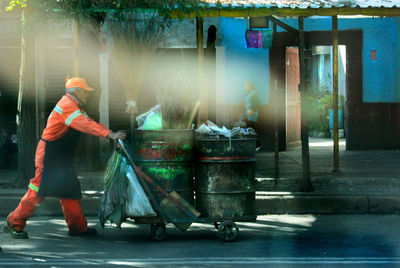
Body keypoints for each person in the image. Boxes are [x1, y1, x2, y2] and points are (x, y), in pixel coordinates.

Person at [3, 77, 126, 239]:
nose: (88, 95)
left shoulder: (74, 105)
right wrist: (110, 134)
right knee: (38, 190)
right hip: (50, 155)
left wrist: (110, 133)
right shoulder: (68, 106)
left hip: (58, 155)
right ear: (77, 91)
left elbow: (88, 122)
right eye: (85, 92)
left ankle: (78, 228)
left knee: (70, 190)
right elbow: (85, 124)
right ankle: (14, 222)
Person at [241, 81, 261, 149]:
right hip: (248, 115)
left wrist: (251, 111)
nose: (244, 88)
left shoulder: (253, 94)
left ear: (250, 86)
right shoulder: (249, 93)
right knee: (250, 130)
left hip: (252, 116)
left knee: (251, 130)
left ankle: (257, 145)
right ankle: (255, 145)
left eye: (246, 86)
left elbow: (257, 104)